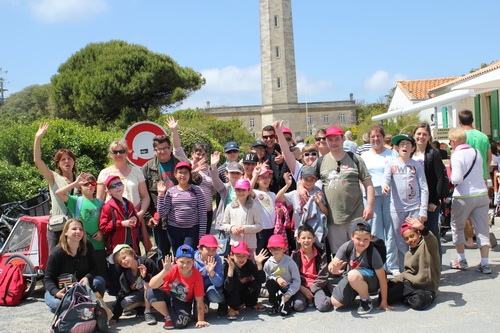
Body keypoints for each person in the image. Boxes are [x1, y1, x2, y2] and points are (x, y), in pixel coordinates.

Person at [304, 126, 374, 255]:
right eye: (330, 140)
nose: (334, 143)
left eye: (337, 139)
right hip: (333, 218)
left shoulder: (355, 159)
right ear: (326, 141)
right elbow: (305, 177)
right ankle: (343, 275)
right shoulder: (321, 162)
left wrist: (369, 206)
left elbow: (368, 183)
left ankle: (359, 275)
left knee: (360, 250)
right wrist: (299, 188)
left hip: (356, 215)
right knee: (339, 254)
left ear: (343, 140)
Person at [142, 117, 200, 264]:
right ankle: (164, 285)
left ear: (170, 148)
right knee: (163, 254)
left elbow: (195, 183)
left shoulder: (181, 163)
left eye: (166, 148)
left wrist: (197, 174)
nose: (163, 151)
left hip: (179, 219)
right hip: (159, 218)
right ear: (154, 151)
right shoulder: (147, 168)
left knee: (183, 255)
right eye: (159, 149)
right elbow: (143, 194)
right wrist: (148, 216)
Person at [448, 128, 491, 274]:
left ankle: (461, 259)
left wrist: (450, 176)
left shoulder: (456, 155)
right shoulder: (476, 152)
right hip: (481, 193)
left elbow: (457, 179)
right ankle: (485, 263)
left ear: (453, 141)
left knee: (458, 227)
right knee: (482, 229)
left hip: (463, 196)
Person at [382, 134, 428, 272]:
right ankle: (405, 271)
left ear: (413, 148)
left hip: (414, 208)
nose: (404, 146)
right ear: (396, 147)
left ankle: (418, 270)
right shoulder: (391, 164)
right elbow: (385, 178)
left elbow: (424, 187)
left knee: (415, 239)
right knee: (400, 242)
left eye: (408, 144)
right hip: (396, 209)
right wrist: (384, 186)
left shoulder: (417, 165)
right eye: (401, 144)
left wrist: (423, 210)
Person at [97, 139, 151, 253]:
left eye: (121, 151)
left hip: (134, 217)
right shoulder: (104, 173)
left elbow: (145, 196)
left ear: (127, 153)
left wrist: (140, 215)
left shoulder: (136, 171)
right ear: (110, 154)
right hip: (114, 219)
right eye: (115, 152)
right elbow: (99, 201)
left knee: (135, 252)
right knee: (116, 253)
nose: (118, 154)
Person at [328, 221, 392, 315]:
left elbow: (382, 279)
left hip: (371, 280)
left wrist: (384, 302)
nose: (362, 243)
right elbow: (331, 264)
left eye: (366, 239)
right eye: (358, 239)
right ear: (352, 237)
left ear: (370, 237)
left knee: (352, 274)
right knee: (336, 302)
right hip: (353, 278)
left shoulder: (373, 252)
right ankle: (358, 291)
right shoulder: (347, 246)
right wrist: (333, 270)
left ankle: (366, 300)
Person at [44, 219, 106, 313]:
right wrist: (56, 292)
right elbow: (48, 279)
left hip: (80, 288)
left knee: (99, 281)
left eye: (81, 229)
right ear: (65, 232)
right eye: (74, 229)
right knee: (56, 305)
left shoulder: (88, 246)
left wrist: (87, 277)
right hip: (60, 289)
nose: (78, 231)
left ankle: (92, 310)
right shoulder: (57, 253)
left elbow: (94, 268)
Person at [34, 123, 78, 253]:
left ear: (74, 161)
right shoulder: (53, 177)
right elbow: (37, 160)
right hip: (57, 226)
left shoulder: (80, 180)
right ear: (58, 164)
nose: (66, 161)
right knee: (56, 259)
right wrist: (38, 138)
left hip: (75, 228)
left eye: (69, 159)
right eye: (63, 159)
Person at [360, 126, 399, 274]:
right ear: (369, 138)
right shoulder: (364, 156)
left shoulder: (392, 154)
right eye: (373, 136)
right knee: (375, 231)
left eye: (378, 136)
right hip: (371, 196)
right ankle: (379, 264)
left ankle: (392, 265)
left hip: (389, 195)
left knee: (391, 230)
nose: (376, 139)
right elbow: (361, 177)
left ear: (383, 137)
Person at [55, 173, 107, 279]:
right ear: (80, 187)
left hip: (98, 244)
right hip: (82, 245)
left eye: (92, 184)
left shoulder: (100, 203)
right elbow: (58, 193)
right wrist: (75, 183)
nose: (90, 186)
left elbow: (105, 222)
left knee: (101, 277)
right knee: (85, 276)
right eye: (86, 184)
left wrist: (102, 232)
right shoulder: (76, 201)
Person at [146, 245, 210, 329]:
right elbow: (152, 285)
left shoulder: (197, 275)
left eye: (188, 262)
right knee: (151, 292)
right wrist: (165, 271)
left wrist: (200, 320)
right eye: (182, 262)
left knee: (181, 323)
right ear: (176, 260)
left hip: (183, 301)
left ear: (193, 261)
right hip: (168, 296)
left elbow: (199, 299)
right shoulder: (172, 269)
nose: (185, 265)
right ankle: (168, 316)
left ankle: (172, 313)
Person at [387, 217, 440, 310]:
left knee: (418, 303)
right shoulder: (408, 254)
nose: (410, 240)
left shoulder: (427, 246)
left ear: (419, 234)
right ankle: (407, 296)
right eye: (406, 238)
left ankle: (407, 297)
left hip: (426, 288)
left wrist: (422, 228)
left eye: (412, 236)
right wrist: (391, 283)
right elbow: (407, 273)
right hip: (411, 285)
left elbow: (431, 239)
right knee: (385, 296)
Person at [412, 123, 447, 261]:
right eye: (418, 134)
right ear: (414, 135)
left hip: (430, 201)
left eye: (424, 134)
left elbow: (440, 179)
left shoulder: (433, 154)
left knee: (431, 234)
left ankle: (436, 264)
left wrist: (434, 200)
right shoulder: (410, 153)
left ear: (429, 137)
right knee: (416, 234)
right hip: (413, 201)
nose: (421, 137)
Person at [157, 161, 207, 254]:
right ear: (175, 174)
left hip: (192, 230)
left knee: (188, 255)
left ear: (190, 174)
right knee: (178, 257)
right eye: (180, 172)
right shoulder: (170, 192)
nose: (183, 175)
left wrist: (201, 236)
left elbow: (203, 214)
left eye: (186, 172)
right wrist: (160, 195)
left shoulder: (196, 190)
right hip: (174, 230)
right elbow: (162, 213)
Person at [109, 244, 160, 325]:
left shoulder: (146, 262)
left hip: (154, 291)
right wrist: (115, 316)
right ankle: (145, 305)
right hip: (141, 294)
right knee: (125, 304)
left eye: (124, 257)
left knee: (146, 284)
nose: (123, 262)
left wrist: (146, 276)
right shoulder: (125, 274)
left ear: (132, 254)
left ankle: (148, 312)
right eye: (120, 262)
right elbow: (122, 293)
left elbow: (159, 279)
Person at [278, 168, 328, 248]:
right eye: (306, 179)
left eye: (312, 179)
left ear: (316, 180)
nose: (309, 182)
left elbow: (325, 213)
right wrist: (287, 185)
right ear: (301, 179)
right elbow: (279, 198)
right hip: (300, 234)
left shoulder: (318, 192)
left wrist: (319, 203)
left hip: (316, 234)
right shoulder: (295, 194)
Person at [291, 224, 333, 312]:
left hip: (317, 285)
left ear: (314, 239)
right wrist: (304, 290)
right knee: (298, 306)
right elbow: (292, 276)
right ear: (298, 240)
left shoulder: (321, 254)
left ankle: (326, 297)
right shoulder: (294, 255)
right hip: (301, 286)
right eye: (303, 238)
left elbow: (323, 276)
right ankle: (308, 299)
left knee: (323, 306)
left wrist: (312, 289)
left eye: (309, 238)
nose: (306, 240)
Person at [223, 242, 268, 320]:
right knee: (234, 283)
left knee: (255, 282)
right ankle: (233, 308)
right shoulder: (228, 264)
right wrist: (230, 270)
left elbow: (261, 280)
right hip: (232, 296)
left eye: (244, 256)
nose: (242, 259)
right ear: (232, 255)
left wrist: (259, 264)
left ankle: (251, 304)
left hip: (244, 293)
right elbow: (228, 287)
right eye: (238, 256)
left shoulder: (249, 263)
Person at [99, 175, 141, 255]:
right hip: (116, 248)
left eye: (119, 184)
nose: (117, 187)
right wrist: (121, 223)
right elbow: (103, 227)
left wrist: (135, 219)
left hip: (132, 245)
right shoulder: (107, 207)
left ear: (123, 185)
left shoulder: (129, 204)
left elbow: (137, 222)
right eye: (113, 186)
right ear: (109, 191)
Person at [219, 178, 263, 253]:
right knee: (235, 264)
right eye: (238, 190)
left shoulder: (254, 206)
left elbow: (259, 226)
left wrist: (245, 229)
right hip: (235, 244)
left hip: (249, 245)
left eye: (243, 190)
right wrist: (231, 228)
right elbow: (223, 224)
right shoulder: (230, 206)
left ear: (248, 191)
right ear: (235, 190)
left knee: (250, 264)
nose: (241, 192)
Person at [264, 234, 301, 316]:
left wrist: (288, 295)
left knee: (285, 312)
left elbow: (296, 280)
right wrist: (276, 279)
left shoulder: (290, 262)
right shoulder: (268, 263)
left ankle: (286, 302)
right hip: (276, 288)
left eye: (278, 248)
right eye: (272, 248)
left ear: (284, 248)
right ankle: (274, 304)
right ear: (269, 249)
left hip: (289, 290)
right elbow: (267, 278)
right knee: (270, 282)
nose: (275, 251)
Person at [210, 152, 244, 231]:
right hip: (225, 226)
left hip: (239, 226)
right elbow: (216, 181)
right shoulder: (224, 188)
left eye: (237, 173)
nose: (235, 175)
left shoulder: (244, 189)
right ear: (226, 174)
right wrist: (213, 167)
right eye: (232, 173)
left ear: (241, 175)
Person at [193, 235, 225, 314]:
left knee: (215, 296)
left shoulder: (217, 259)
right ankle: (203, 302)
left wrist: (211, 273)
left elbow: (219, 283)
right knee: (197, 316)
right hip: (197, 289)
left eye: (214, 249)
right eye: (208, 249)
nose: (211, 253)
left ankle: (223, 303)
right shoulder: (192, 260)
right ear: (200, 249)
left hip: (211, 287)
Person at [458, 109, 492, 180]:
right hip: (481, 177)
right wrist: (485, 170)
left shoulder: (459, 137)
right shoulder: (483, 136)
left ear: (459, 121)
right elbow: (489, 157)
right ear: (472, 120)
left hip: (465, 177)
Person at [189, 142, 215, 233]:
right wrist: (193, 171)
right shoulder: (188, 166)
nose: (200, 156)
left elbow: (213, 187)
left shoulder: (209, 168)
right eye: (198, 154)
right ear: (192, 154)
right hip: (193, 211)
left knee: (204, 240)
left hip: (207, 209)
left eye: (203, 154)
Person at [251, 166, 277, 254]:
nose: (267, 180)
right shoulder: (255, 192)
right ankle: (259, 267)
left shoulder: (272, 194)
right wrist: (256, 175)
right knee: (260, 252)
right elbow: (248, 189)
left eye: (268, 177)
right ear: (257, 180)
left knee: (270, 253)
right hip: (260, 229)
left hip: (272, 228)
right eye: (263, 177)